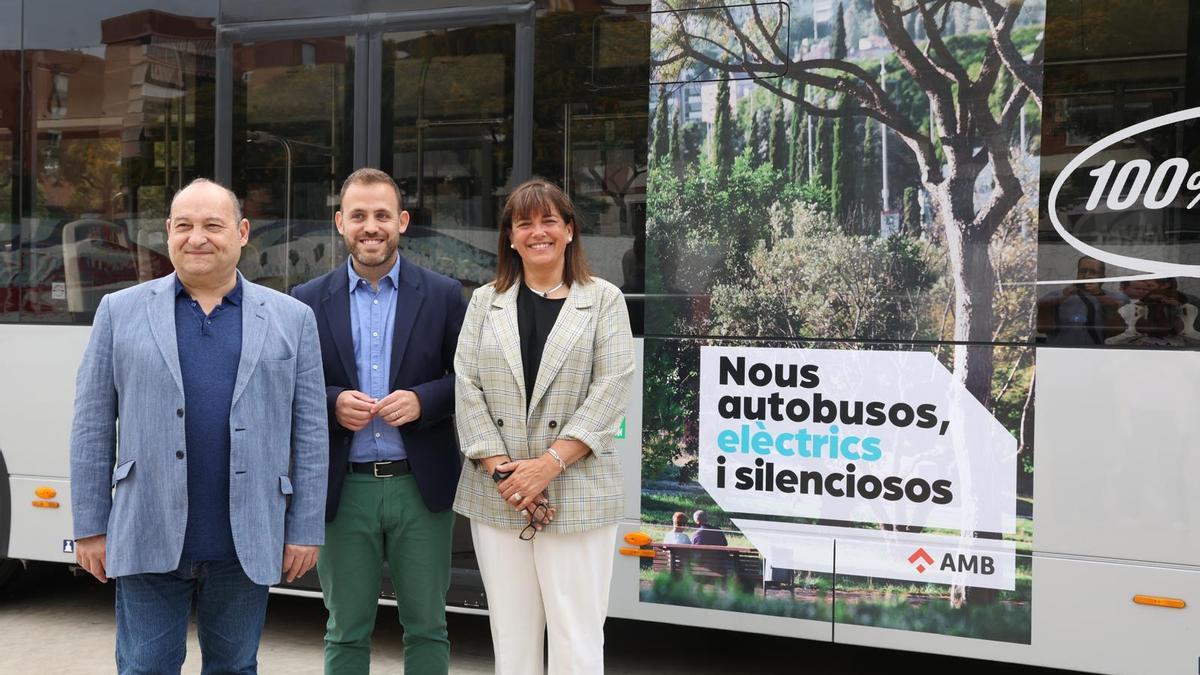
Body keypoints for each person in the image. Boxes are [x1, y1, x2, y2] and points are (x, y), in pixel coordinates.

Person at [69, 178, 328, 674]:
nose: (197, 237)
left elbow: (312, 433)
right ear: (168, 232)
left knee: (234, 667)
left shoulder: (292, 319)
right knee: (145, 668)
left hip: (246, 538)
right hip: (146, 533)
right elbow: (91, 426)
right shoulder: (119, 312)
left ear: (243, 232)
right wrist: (90, 526)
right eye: (184, 226)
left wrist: (305, 528)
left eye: (213, 225)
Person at [453, 177, 634, 675]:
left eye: (549, 220)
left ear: (570, 230)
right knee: (512, 640)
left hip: (576, 491)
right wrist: (509, 477)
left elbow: (611, 390)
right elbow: (467, 389)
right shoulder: (484, 302)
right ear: (510, 237)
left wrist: (548, 467)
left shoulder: (604, 300)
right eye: (524, 223)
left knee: (576, 637)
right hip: (499, 493)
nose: (538, 232)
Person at [291, 168, 467, 675]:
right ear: (340, 223)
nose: (372, 226)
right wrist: (330, 401)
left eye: (383, 215)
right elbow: (287, 387)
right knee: (345, 632)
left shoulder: (442, 294)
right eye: (360, 216)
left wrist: (423, 400)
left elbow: (469, 380)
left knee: (428, 627)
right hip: (344, 491)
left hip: (421, 487)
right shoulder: (306, 300)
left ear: (403, 222)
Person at [1036, 256, 1127, 345]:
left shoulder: (1116, 298)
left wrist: (1099, 295)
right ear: (1077, 273)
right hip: (1060, 352)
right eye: (1083, 271)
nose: (1087, 276)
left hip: (1096, 354)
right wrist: (1063, 298)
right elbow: (1043, 328)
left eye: (1093, 272)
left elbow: (1117, 331)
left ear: (1102, 276)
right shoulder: (1055, 296)